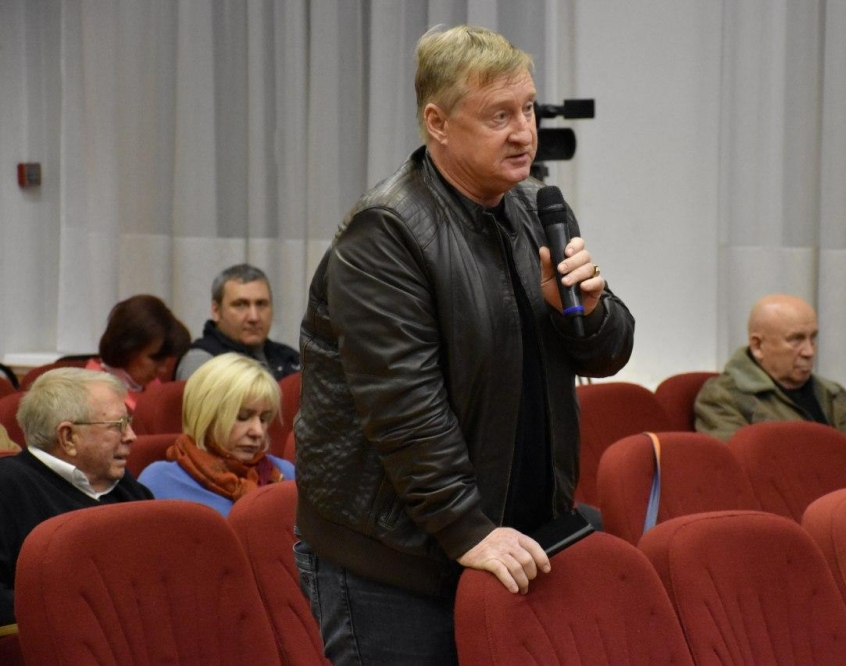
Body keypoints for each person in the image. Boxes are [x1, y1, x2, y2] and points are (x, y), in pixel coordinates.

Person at [293, 24, 635, 665]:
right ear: (438, 123)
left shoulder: (537, 207)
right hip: (397, 566)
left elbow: (607, 353)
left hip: (511, 544)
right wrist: (467, 529)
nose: (524, 133)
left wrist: (588, 312)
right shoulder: (386, 233)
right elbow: (404, 407)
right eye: (499, 116)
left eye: (528, 109)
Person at [0, 368, 152, 626]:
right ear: (68, 437)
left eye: (129, 423)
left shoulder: (125, 486)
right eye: (118, 425)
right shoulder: (8, 487)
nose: (131, 436)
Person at [694, 293, 846, 442]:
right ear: (758, 346)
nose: (809, 351)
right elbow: (740, 460)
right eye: (796, 339)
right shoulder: (722, 397)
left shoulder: (830, 392)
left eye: (813, 338)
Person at [139, 353, 294, 517]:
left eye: (263, 419)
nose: (258, 432)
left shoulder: (285, 473)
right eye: (242, 417)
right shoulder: (161, 480)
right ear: (206, 417)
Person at [175, 264, 300, 381]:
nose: (254, 317)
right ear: (216, 311)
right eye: (241, 305)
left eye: (261, 304)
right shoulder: (202, 362)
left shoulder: (289, 358)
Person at [85, 294, 192, 409]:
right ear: (127, 348)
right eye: (155, 358)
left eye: (164, 359)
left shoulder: (152, 385)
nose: (163, 369)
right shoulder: (91, 392)